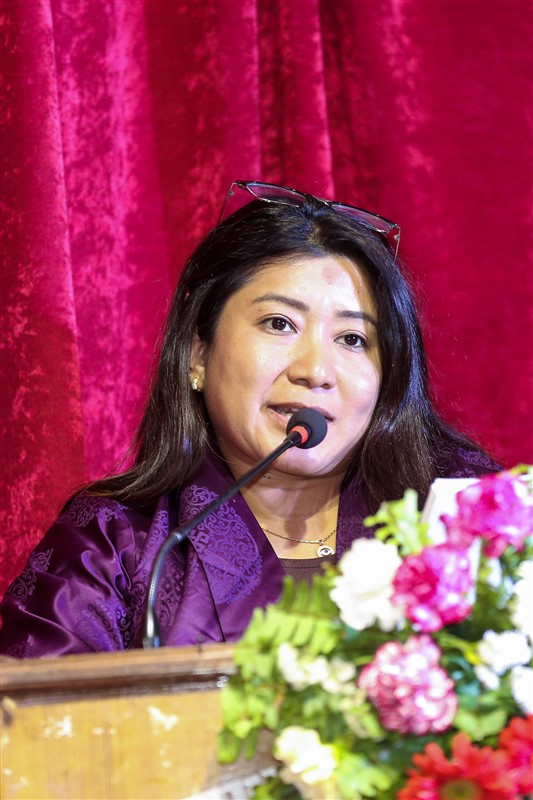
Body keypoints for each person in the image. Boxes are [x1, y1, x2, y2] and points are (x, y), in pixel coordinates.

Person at [0, 180, 499, 658]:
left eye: (352, 339)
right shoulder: (116, 545)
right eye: (279, 324)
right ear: (198, 354)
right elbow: (40, 708)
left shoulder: (469, 515)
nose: (315, 371)